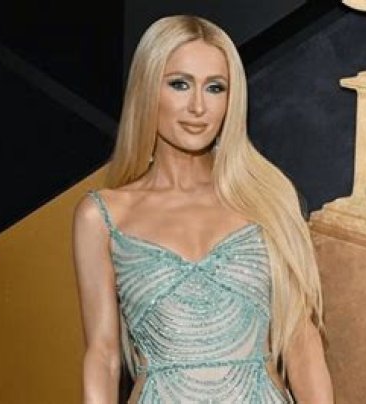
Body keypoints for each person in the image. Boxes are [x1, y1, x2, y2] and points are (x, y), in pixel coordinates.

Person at [72, 14, 333, 403]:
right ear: (147, 88)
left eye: (215, 88)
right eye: (179, 84)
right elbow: (104, 356)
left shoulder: (266, 198)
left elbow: (301, 340)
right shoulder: (103, 216)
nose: (198, 106)